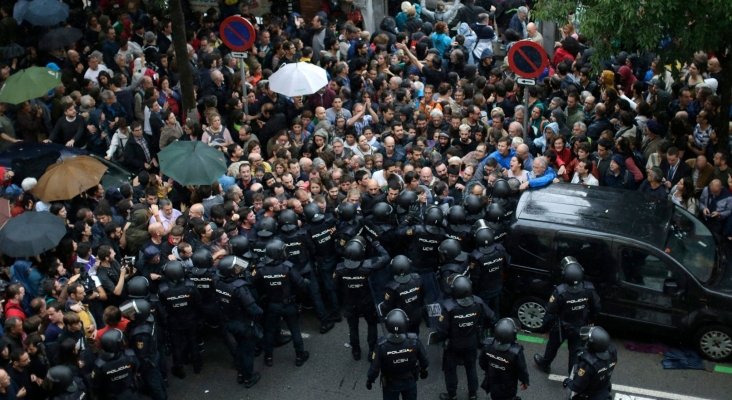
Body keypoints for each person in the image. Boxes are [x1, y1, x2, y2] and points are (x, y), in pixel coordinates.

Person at [534, 257, 601, 374]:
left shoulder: (560, 292)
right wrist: (590, 320)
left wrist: (544, 327)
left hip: (560, 327)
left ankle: (545, 364)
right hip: (580, 325)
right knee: (575, 352)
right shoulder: (589, 289)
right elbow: (596, 307)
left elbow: (550, 311)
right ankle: (572, 375)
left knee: (552, 346)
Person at [434, 276, 496, 400]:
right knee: (471, 368)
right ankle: (473, 394)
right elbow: (492, 317)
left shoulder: (448, 307)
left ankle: (452, 395)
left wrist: (439, 339)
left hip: (453, 345)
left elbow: (442, 330)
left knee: (450, 370)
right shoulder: (478, 301)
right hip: (472, 342)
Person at [251, 238, 311, 367]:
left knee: (270, 331)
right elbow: (301, 284)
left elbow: (254, 283)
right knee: (295, 329)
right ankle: (300, 356)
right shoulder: (287, 268)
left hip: (272, 304)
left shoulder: (261, 269)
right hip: (288, 304)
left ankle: (268, 357)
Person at [334, 236, 390, 360]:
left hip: (349, 303)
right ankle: (372, 352)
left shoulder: (340, 269)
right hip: (367, 302)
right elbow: (386, 257)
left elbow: (336, 287)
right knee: (371, 325)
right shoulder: (368, 266)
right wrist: (376, 244)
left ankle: (356, 351)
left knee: (352, 327)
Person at [215, 255, 263, 387]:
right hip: (243, 323)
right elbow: (253, 308)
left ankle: (241, 373)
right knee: (247, 351)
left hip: (229, 321)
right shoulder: (239, 288)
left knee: (240, 348)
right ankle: (248, 378)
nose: (239, 269)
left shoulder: (218, 282)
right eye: (236, 269)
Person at [366, 308, 429, 400]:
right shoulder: (414, 341)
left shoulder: (381, 345)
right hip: (409, 380)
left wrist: (370, 380)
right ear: (405, 323)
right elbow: (424, 361)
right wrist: (423, 371)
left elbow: (374, 368)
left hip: (390, 384)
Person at [158, 260, 202, 378]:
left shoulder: (163, 289)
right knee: (193, 342)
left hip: (174, 321)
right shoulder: (190, 286)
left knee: (176, 346)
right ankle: (197, 367)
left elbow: (162, 307)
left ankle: (179, 370)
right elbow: (198, 303)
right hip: (191, 319)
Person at [479, 318, 529, 400]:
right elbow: (521, 369)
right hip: (509, 384)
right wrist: (525, 381)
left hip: (492, 379)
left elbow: (482, 362)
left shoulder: (487, 345)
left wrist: (491, 368)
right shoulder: (516, 351)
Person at [564, 326, 617, 400]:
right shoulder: (612, 353)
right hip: (603, 390)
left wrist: (568, 382)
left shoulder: (588, 364)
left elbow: (577, 386)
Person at [382, 255, 425, 335]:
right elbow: (422, 298)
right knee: (415, 337)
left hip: (400, 321)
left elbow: (387, 307)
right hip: (416, 317)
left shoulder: (391, 287)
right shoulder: (417, 279)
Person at [92, 329, 139, 399]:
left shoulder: (100, 364)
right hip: (129, 392)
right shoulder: (130, 355)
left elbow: (96, 384)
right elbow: (136, 368)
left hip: (111, 395)